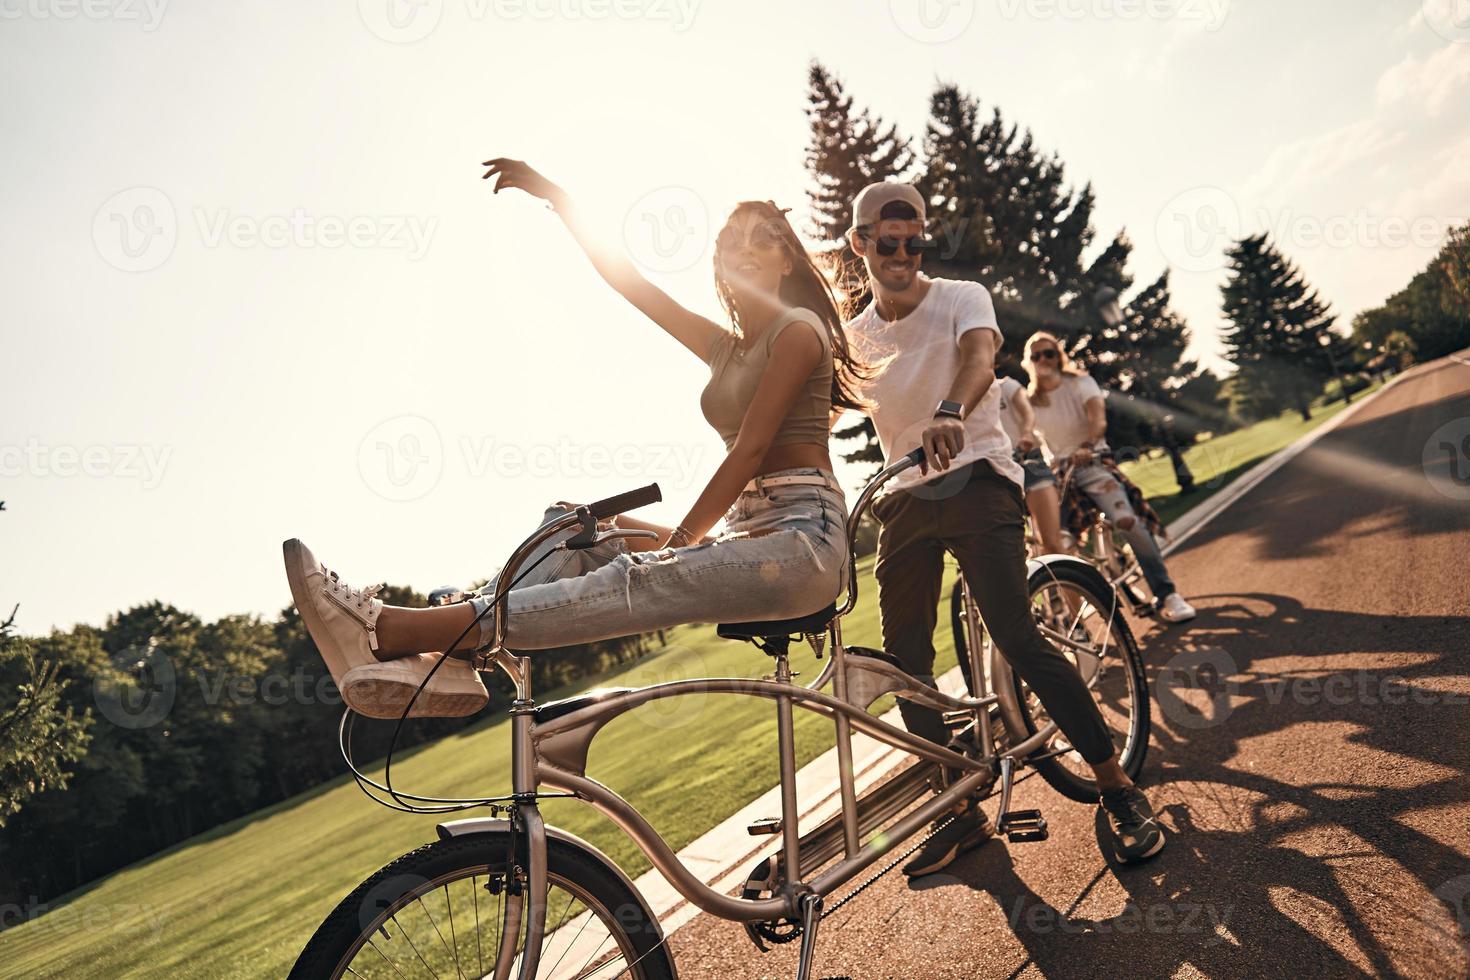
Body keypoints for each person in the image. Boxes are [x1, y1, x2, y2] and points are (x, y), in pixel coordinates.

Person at [283, 158, 864, 721]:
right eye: (730, 241)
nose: (744, 249)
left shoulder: (798, 329)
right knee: (575, 528)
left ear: (787, 258)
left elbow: (751, 452)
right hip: (748, 534)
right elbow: (629, 283)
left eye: (762, 239)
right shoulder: (726, 349)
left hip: (802, 541)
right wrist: (563, 200)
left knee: (640, 575)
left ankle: (390, 629)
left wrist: (681, 543)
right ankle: (456, 650)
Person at [843, 181, 1167, 873]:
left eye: (916, 240)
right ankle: (958, 807)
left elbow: (979, 360)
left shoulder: (961, 298)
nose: (903, 253)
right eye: (887, 241)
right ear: (859, 243)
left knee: (1016, 634)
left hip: (979, 475)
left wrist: (951, 412)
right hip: (904, 497)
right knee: (904, 662)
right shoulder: (855, 336)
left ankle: (1117, 787)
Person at [1022, 331, 1197, 624]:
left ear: (1059, 356)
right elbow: (1025, 436)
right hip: (1059, 475)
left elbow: (1097, 419)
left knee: (1127, 521)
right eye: (1036, 355)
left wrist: (1088, 445)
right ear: (1029, 362)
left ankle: (1167, 594)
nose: (1043, 360)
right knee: (1060, 543)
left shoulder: (1080, 382)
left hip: (1092, 462)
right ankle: (1080, 624)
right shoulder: (1029, 401)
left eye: (1049, 353)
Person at [994, 372, 1067, 556]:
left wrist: (1026, 433)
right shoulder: (966, 397)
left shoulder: (1006, 386)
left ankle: (1075, 583)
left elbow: (1028, 412)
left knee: (1051, 543)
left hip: (1028, 461)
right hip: (997, 470)